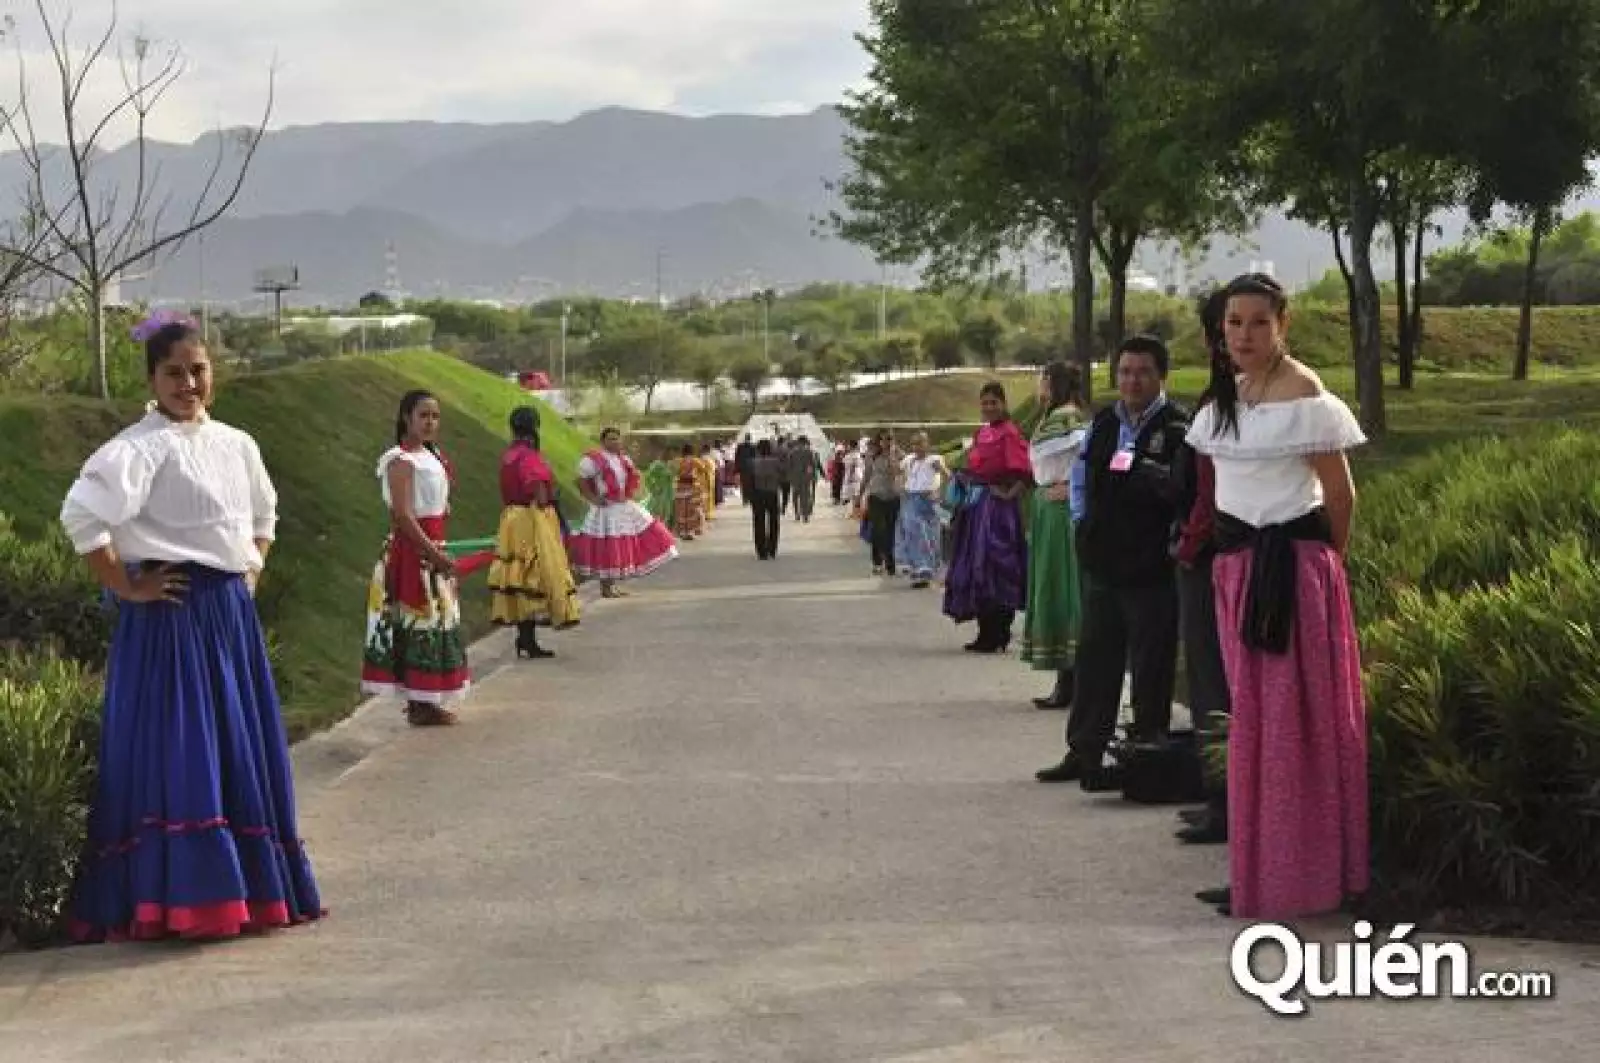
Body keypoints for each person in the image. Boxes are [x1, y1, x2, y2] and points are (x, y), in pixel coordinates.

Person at [59, 310, 323, 943]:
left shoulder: (237, 444)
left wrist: (247, 575)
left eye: (198, 370)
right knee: (185, 755)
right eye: (173, 373)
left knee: (233, 747)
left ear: (214, 373)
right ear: (152, 379)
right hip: (170, 620)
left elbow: (264, 512)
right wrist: (127, 586)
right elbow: (82, 517)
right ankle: (183, 900)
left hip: (227, 618)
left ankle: (249, 892)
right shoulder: (136, 449)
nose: (188, 384)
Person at [1186, 273, 1368, 920]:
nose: (1245, 334)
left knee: (1297, 729)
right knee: (1255, 730)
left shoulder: (1305, 393)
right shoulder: (1230, 396)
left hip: (1290, 573)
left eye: (1258, 322)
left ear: (1282, 324)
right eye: (1234, 323)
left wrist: (1319, 571)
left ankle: (1308, 876)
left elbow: (1340, 497)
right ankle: (1259, 870)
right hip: (1238, 571)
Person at [1038, 335, 1189, 789]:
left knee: (1150, 665)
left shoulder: (1179, 427)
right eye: (1124, 371)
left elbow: (1186, 494)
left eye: (1142, 371)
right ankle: (1084, 750)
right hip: (1103, 563)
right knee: (1095, 661)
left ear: (1161, 376)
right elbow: (1081, 476)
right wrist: (1082, 526)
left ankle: (1144, 756)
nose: (1132, 380)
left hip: (1151, 569)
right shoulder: (1104, 422)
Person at [361, 389, 472, 726]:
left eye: (435, 416)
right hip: (414, 552)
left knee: (438, 620)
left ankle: (427, 699)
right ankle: (419, 703)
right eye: (423, 415)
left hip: (432, 547)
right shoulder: (400, 460)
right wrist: (433, 554)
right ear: (406, 418)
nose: (430, 422)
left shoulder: (432, 456)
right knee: (418, 621)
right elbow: (404, 516)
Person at [1172, 291, 1235, 845]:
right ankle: (1217, 797)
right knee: (1208, 684)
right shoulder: (1220, 396)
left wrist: (1192, 543)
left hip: (1223, 554)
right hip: (1206, 549)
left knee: (1220, 686)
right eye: (1223, 326)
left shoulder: (1250, 398)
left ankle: (1229, 804)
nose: (1231, 338)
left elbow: (1216, 493)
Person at [1020, 362, 1089, 710]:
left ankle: (1072, 677)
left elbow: (1086, 459)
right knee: (1051, 588)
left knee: (1062, 590)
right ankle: (1066, 678)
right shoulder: (1055, 418)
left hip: (1061, 512)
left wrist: (1072, 489)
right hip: (1048, 508)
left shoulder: (1068, 419)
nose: (1038, 385)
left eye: (1042, 379)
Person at [943, 382, 1031, 653]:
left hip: (998, 511)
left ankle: (1000, 632)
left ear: (1003, 404)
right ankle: (985, 632)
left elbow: (1026, 471)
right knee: (976, 567)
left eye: (994, 402)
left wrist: (1009, 494)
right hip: (977, 507)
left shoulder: (1010, 433)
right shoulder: (981, 433)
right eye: (985, 403)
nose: (989, 408)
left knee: (998, 565)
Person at [487, 406, 579, 661]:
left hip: (511, 519)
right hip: (532, 517)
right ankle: (529, 638)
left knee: (520, 576)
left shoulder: (508, 456)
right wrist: (547, 503)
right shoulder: (529, 456)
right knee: (538, 572)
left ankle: (525, 637)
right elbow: (537, 487)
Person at [568, 427, 679, 597]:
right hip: (605, 509)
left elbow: (629, 481)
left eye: (617, 439)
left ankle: (611, 586)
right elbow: (580, 480)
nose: (615, 442)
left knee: (632, 538)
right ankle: (604, 587)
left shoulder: (624, 459)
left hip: (622, 505)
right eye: (610, 439)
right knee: (606, 547)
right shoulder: (594, 459)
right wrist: (593, 498)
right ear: (603, 441)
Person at [895, 431, 947, 588]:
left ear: (927, 444)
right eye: (914, 444)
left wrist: (939, 492)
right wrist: (900, 487)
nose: (917, 447)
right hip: (911, 498)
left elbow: (947, 475)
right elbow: (898, 472)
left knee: (931, 535)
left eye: (920, 443)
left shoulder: (934, 460)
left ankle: (930, 568)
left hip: (928, 500)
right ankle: (920, 567)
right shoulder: (909, 459)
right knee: (913, 531)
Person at [861, 432, 903, 576]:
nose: (887, 442)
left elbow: (897, 473)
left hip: (893, 496)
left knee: (891, 531)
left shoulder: (899, 455)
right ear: (879, 441)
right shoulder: (872, 456)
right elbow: (866, 475)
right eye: (884, 439)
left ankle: (890, 562)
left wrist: (892, 456)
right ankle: (877, 561)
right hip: (876, 496)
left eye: (890, 439)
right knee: (878, 530)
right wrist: (859, 495)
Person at [748, 439, 784, 559]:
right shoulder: (776, 462)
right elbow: (782, 475)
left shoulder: (752, 463)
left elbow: (750, 481)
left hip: (758, 494)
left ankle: (761, 551)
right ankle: (772, 549)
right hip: (772, 493)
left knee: (758, 523)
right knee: (774, 522)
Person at [672, 443, 706, 540]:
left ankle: (682, 531)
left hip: (681, 487)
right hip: (692, 487)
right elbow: (703, 468)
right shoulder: (695, 461)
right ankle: (690, 531)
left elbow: (674, 471)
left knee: (681, 510)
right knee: (692, 510)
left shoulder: (678, 461)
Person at [786, 435, 822, 521]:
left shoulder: (792, 452)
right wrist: (812, 476)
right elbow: (813, 465)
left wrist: (789, 477)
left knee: (795, 496)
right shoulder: (809, 452)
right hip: (805, 477)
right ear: (805, 442)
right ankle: (805, 515)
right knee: (804, 497)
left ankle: (797, 514)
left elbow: (789, 466)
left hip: (795, 477)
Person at [643, 445, 677, 524]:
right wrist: (654, 488)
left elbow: (672, 476)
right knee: (657, 511)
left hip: (668, 492)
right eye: (671, 453)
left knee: (667, 511)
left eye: (673, 453)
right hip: (659, 492)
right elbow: (648, 477)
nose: (673, 455)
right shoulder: (657, 464)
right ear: (666, 453)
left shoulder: (669, 464)